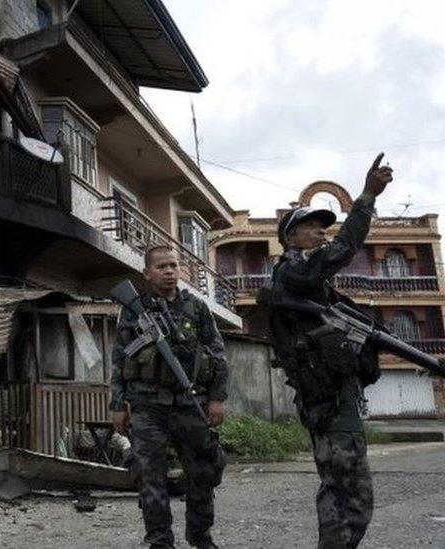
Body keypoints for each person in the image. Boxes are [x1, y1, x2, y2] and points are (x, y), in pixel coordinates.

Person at [261, 153, 394, 548]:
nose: (322, 233)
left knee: (347, 493)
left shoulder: (315, 289)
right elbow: (343, 249)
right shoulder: (295, 272)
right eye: (312, 228)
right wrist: (367, 196)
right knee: (348, 496)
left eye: (325, 227)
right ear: (290, 238)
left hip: (336, 398)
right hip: (329, 403)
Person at [111, 245, 228, 549]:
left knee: (203, 471)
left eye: (174, 266)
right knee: (149, 476)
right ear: (147, 273)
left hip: (191, 402)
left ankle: (200, 536)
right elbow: (119, 358)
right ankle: (160, 541)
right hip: (147, 404)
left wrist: (217, 398)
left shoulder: (197, 307)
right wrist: (118, 404)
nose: (169, 271)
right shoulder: (134, 308)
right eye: (161, 266)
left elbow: (217, 352)